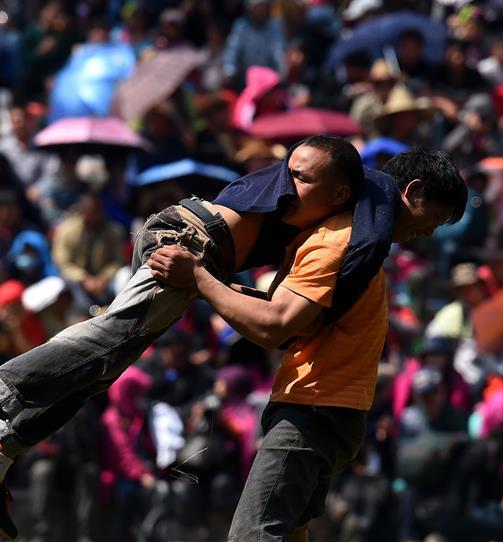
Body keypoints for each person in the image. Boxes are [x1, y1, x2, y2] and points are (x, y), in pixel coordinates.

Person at [0, 135, 367, 539]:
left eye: (303, 178)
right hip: (189, 239)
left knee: (97, 371)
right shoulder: (336, 209)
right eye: (292, 171)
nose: (290, 183)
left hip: (197, 248)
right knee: (104, 342)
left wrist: (220, 287)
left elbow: (272, 303)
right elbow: (386, 199)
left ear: (337, 192)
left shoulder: (315, 225)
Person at [148, 149, 467, 541]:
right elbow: (293, 319)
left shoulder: (340, 241)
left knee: (253, 534)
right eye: (435, 218)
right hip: (336, 415)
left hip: (312, 410)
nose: (431, 231)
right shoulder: (362, 249)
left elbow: (275, 328)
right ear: (413, 191)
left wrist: (199, 277)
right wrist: (218, 288)